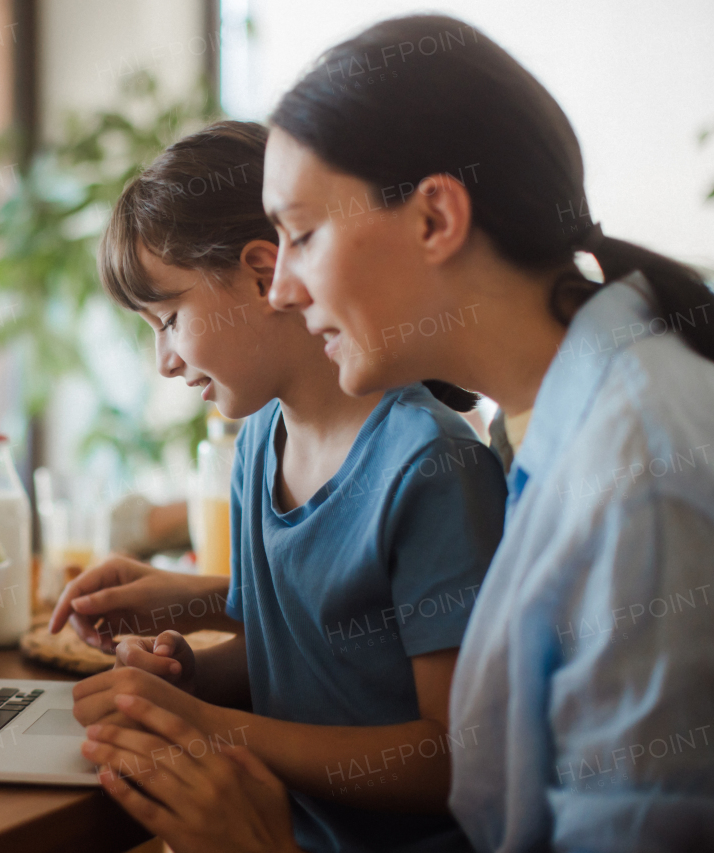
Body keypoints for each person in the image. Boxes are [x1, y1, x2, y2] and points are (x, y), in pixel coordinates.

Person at [262, 14, 714, 851]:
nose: (281, 290)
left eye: (301, 234)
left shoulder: (638, 475)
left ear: (436, 216)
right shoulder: (539, 425)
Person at [52, 120, 508, 853]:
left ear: (265, 277)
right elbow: (306, 667)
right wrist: (191, 675)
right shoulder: (261, 442)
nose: (163, 361)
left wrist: (212, 728)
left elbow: (451, 757)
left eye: (169, 318)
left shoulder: (430, 467)